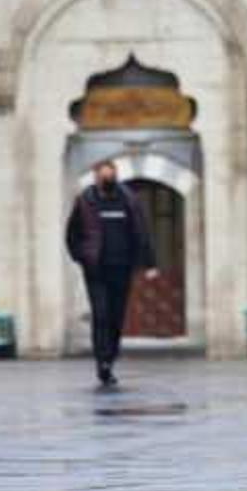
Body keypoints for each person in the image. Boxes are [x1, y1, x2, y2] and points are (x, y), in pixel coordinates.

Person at [65, 160, 159, 387]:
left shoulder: (129, 200)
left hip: (122, 268)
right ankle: (102, 363)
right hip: (96, 270)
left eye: (111, 176)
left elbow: (141, 232)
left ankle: (110, 357)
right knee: (101, 315)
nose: (107, 180)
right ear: (96, 177)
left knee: (116, 317)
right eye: (104, 176)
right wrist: (82, 258)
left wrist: (149, 263)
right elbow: (72, 234)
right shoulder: (85, 201)